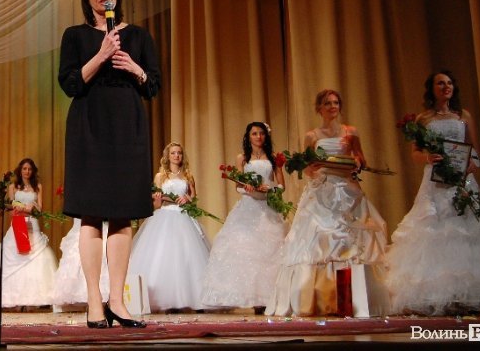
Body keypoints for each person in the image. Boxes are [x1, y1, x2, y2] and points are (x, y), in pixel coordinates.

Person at [58, 0, 160, 328]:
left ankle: (117, 300)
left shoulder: (139, 35)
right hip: (89, 126)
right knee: (90, 214)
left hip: (127, 127)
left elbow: (153, 85)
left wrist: (134, 67)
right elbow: (69, 84)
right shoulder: (75, 35)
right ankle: (94, 302)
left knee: (122, 213)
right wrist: (101, 55)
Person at [386, 71, 480, 315]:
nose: (446, 86)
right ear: (432, 88)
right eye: (440, 83)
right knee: (436, 230)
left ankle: (477, 295)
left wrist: (472, 165)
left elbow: (474, 150)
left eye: (449, 83)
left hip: (462, 179)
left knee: (468, 229)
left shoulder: (463, 115)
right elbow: (415, 153)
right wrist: (428, 157)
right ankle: (441, 296)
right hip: (435, 182)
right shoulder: (424, 118)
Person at [266, 90, 388, 317]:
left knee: (351, 241)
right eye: (327, 103)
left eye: (336, 103)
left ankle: (352, 299)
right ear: (319, 108)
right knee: (320, 239)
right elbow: (307, 168)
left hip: (346, 188)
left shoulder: (351, 132)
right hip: (323, 189)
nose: (332, 106)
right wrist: (312, 168)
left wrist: (357, 162)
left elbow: (361, 158)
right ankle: (320, 299)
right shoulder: (312, 135)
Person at [201, 122, 288, 311]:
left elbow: (281, 186)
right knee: (245, 249)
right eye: (254, 133)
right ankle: (252, 298)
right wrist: (247, 188)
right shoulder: (242, 158)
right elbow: (238, 186)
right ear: (248, 137)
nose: (258, 137)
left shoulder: (273, 158)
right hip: (248, 207)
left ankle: (268, 299)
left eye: (261, 133)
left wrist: (270, 188)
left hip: (267, 207)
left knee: (269, 251)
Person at [128, 142, 210, 312]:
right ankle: (169, 301)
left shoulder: (188, 176)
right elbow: (156, 204)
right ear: (168, 156)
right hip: (164, 216)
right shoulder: (160, 176)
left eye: (179, 153)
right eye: (173, 153)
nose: (176, 156)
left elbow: (194, 199)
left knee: (188, 256)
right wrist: (158, 199)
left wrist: (187, 199)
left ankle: (197, 299)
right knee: (165, 255)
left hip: (184, 217)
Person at [0, 158, 57, 309]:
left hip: (32, 223)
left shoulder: (37, 186)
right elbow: (11, 207)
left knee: (35, 257)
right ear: (20, 170)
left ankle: (34, 299)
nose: (27, 171)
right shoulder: (13, 186)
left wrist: (30, 208)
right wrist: (19, 209)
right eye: (24, 168)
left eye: (29, 169)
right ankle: (15, 299)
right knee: (16, 255)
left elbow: (40, 208)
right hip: (18, 223)